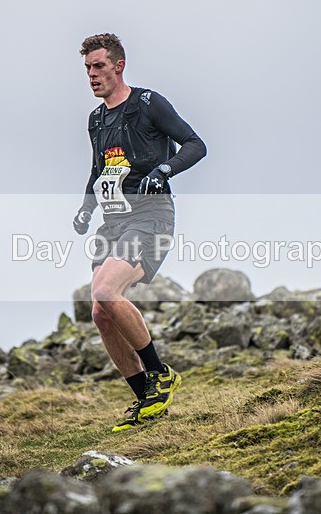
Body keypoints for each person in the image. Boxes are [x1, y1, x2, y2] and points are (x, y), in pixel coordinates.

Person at [72, 33, 207, 432]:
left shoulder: (148, 103)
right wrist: (86, 207)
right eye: (87, 68)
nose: (92, 74)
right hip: (113, 220)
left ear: (119, 66)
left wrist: (165, 170)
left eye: (99, 66)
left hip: (150, 215)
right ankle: (147, 399)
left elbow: (195, 144)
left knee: (105, 290)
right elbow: (98, 170)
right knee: (100, 313)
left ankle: (160, 373)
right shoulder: (97, 119)